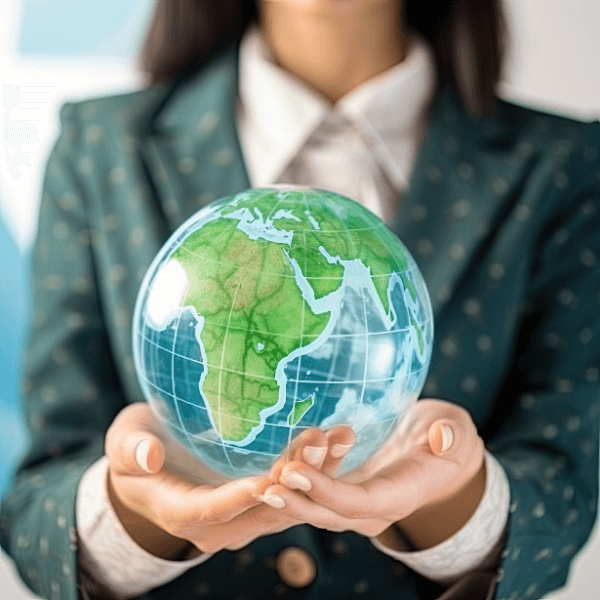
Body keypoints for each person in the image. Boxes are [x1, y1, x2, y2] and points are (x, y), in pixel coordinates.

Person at [1, 0, 598, 598]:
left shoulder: (565, 167)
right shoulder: (100, 148)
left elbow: (560, 495)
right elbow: (35, 507)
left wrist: (456, 501)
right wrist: (134, 512)